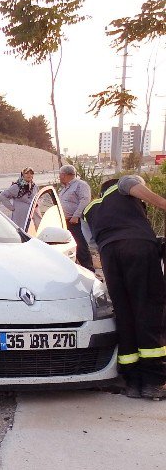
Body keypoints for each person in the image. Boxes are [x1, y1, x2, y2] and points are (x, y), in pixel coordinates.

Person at [83, 175, 166, 400]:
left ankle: (133, 382)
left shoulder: (90, 209)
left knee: (125, 314)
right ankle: (155, 382)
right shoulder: (123, 186)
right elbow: (132, 185)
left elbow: (93, 244)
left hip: (110, 256)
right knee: (148, 310)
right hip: (138, 247)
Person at [57, 164, 95, 271]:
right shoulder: (66, 187)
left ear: (64, 175)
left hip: (75, 222)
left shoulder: (80, 185)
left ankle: (89, 271)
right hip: (66, 221)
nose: (59, 177)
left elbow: (85, 200)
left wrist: (76, 216)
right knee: (70, 247)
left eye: (60, 175)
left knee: (80, 247)